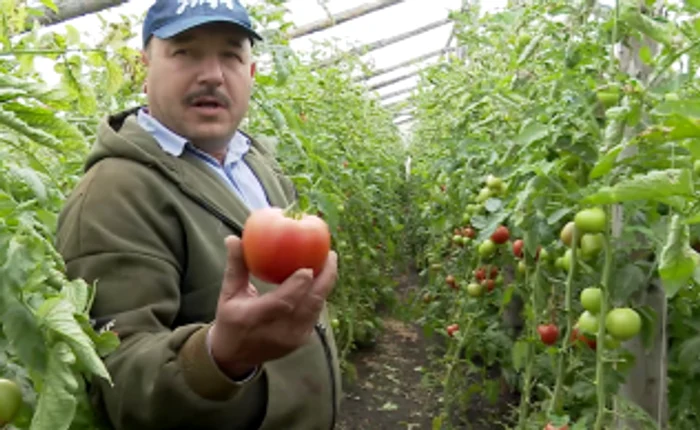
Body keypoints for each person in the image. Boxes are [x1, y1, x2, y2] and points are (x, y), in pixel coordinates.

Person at [55, 1, 341, 429]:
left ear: (251, 72)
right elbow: (116, 381)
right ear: (143, 68)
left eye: (231, 54)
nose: (212, 74)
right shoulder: (115, 193)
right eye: (185, 52)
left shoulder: (255, 162)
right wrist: (219, 355)